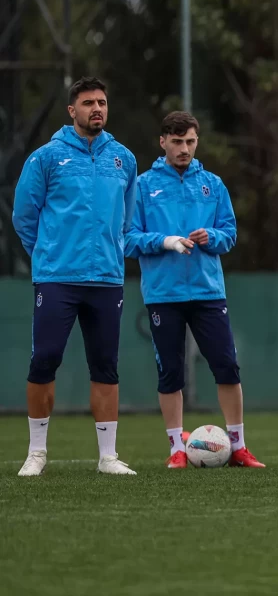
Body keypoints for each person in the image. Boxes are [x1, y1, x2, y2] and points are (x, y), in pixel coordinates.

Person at [14, 76, 139, 477]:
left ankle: (108, 457)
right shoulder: (46, 158)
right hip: (57, 277)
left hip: (106, 279)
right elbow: (24, 216)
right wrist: (48, 255)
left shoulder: (124, 159)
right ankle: (36, 453)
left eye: (101, 102)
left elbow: (127, 220)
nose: (96, 109)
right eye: (88, 103)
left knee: (105, 366)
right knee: (45, 359)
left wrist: (111, 253)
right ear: (72, 110)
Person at [125, 111, 264, 469]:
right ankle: (176, 448)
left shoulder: (213, 184)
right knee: (171, 373)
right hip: (163, 294)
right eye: (176, 142)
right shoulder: (143, 186)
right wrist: (165, 241)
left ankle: (238, 447)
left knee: (227, 366)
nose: (184, 148)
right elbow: (128, 239)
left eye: (189, 141)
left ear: (196, 141)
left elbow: (229, 234)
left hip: (208, 292)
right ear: (163, 142)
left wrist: (211, 236)